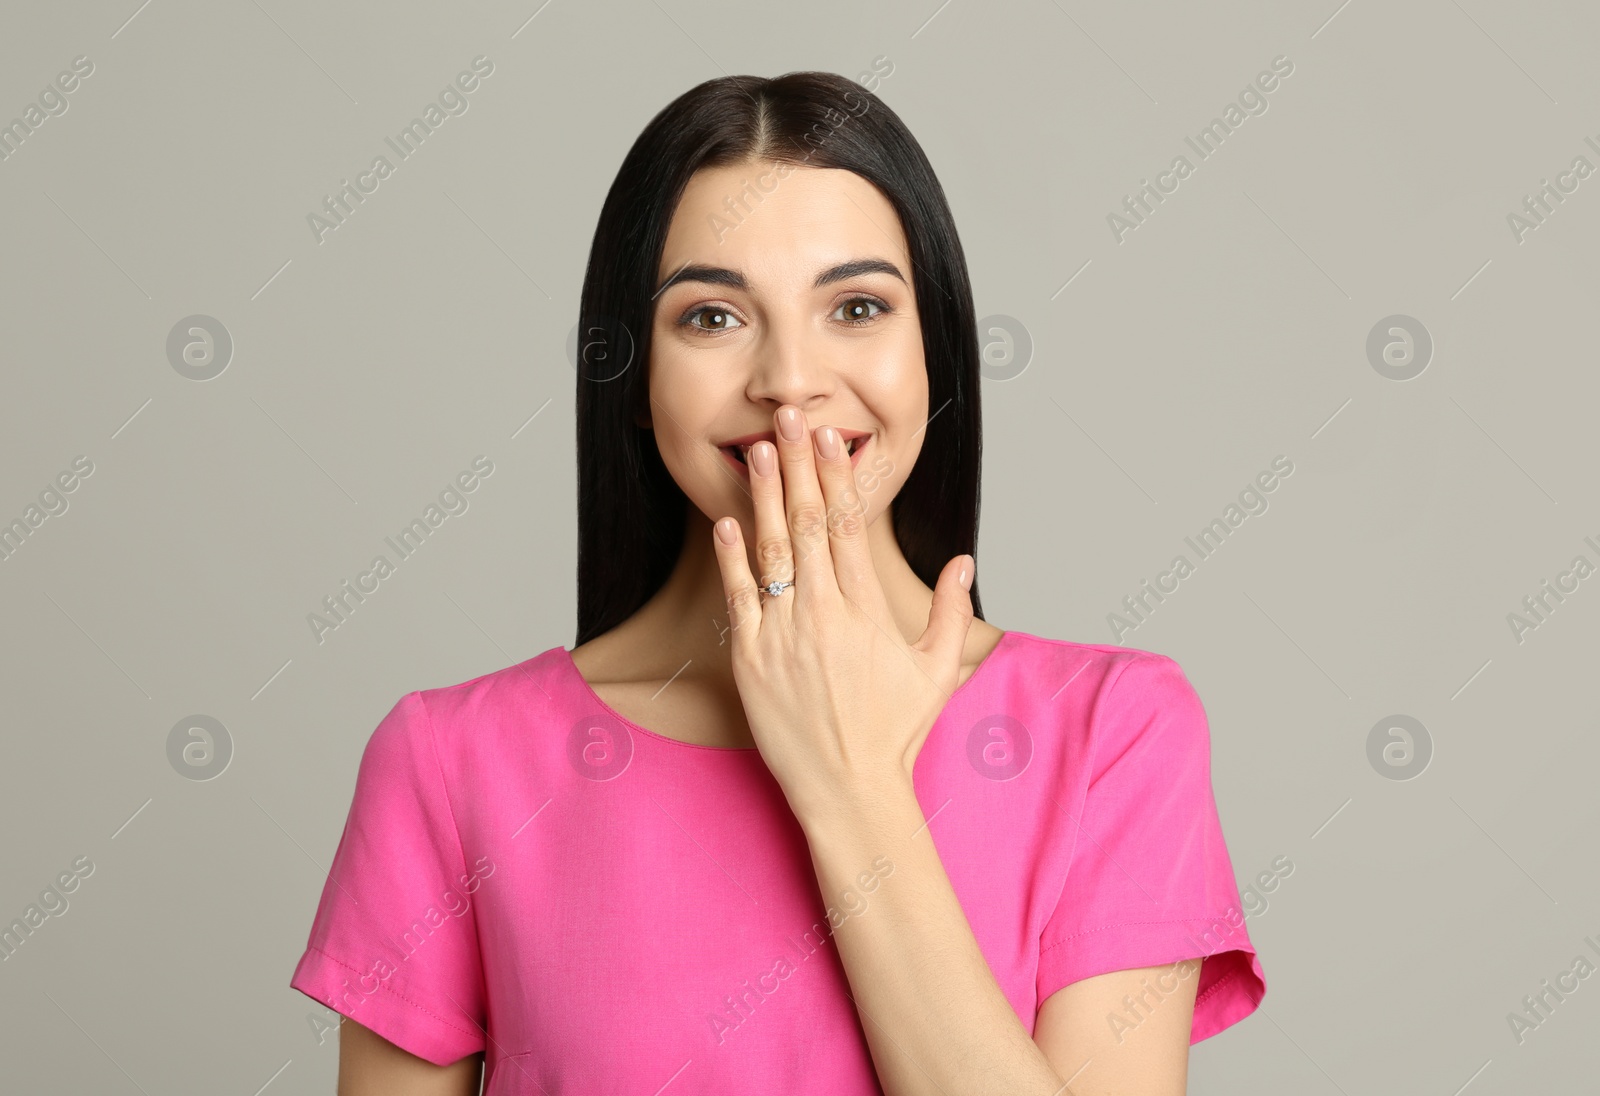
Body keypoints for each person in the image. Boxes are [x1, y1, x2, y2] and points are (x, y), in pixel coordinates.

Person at [289, 69, 1266, 1094]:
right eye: (711, 318)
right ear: (631, 376)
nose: (789, 381)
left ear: (932, 356)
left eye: (855, 306)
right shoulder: (451, 764)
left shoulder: (1114, 732)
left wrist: (848, 786)